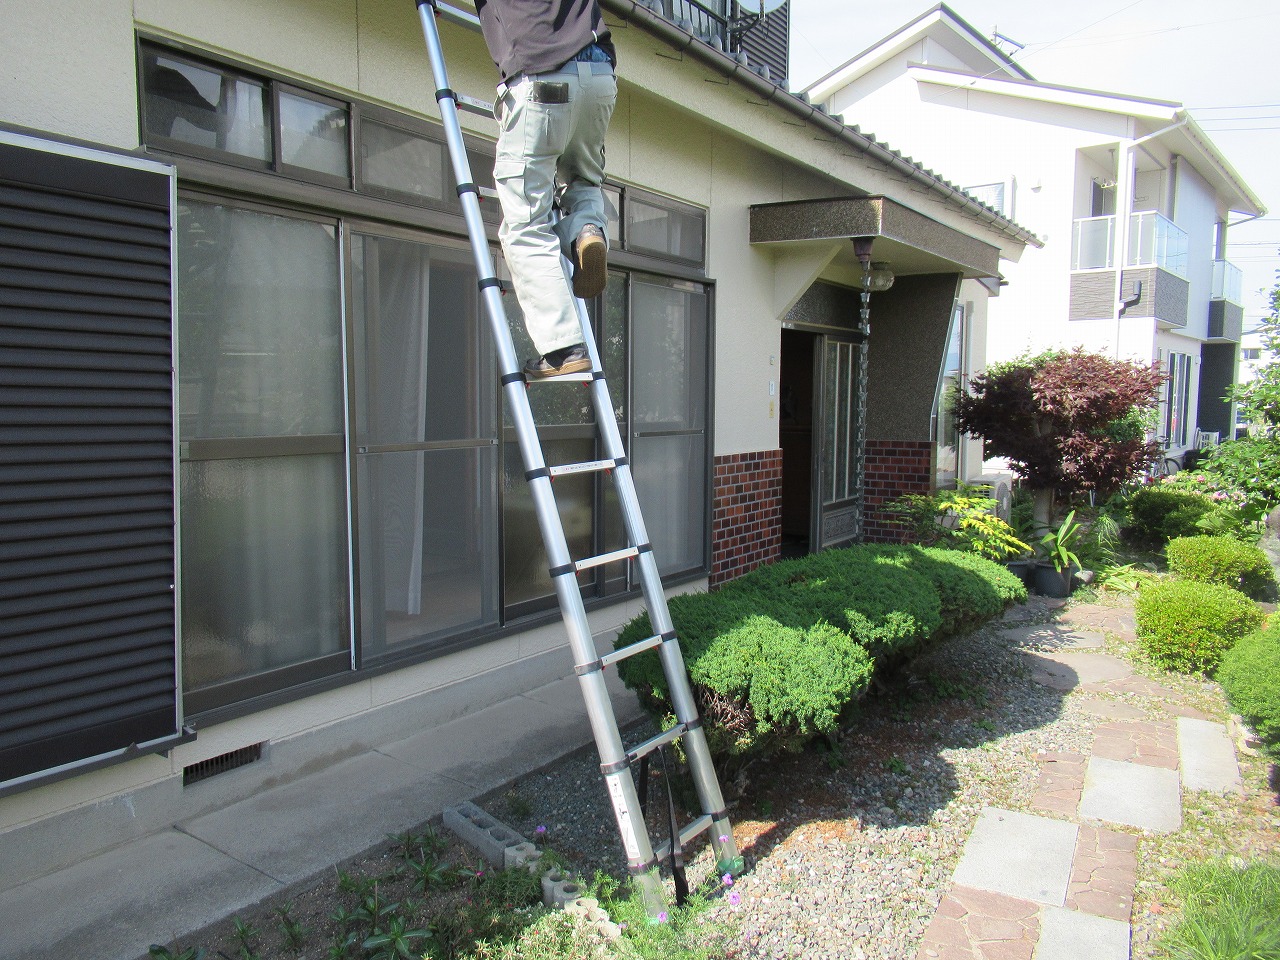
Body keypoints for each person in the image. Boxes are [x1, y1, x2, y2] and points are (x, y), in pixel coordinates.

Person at [473, 0, 618, 378]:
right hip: (599, 75)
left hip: (540, 74)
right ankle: (587, 230)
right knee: (583, 178)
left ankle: (562, 346)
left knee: (525, 224)